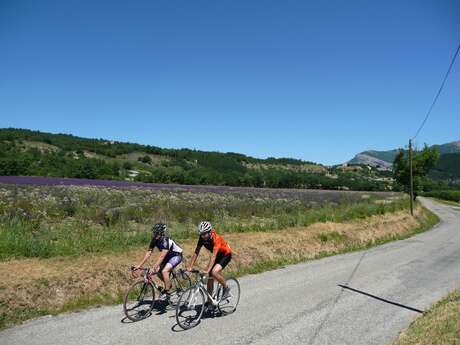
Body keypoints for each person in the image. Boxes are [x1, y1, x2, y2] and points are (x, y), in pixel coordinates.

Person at [134, 223, 183, 299]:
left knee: (164, 271)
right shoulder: (154, 240)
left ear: (161, 233)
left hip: (176, 255)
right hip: (167, 257)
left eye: (157, 232)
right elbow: (148, 253)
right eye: (154, 232)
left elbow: (162, 256)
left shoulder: (166, 241)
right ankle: (168, 284)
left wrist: (153, 267)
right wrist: (139, 265)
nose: (154, 234)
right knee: (159, 273)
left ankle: (167, 292)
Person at [187, 221, 232, 301]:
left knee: (214, 272)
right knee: (210, 278)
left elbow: (213, 256)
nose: (203, 236)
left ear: (210, 232)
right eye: (201, 234)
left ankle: (226, 288)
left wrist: (207, 270)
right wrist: (190, 265)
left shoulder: (216, 239)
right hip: (217, 255)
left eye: (204, 234)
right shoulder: (202, 238)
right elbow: (196, 252)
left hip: (226, 255)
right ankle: (209, 301)